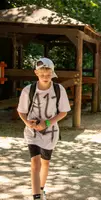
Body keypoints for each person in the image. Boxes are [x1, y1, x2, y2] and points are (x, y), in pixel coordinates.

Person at [17, 58, 71, 200]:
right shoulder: (28, 90)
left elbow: (63, 112)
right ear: (36, 73)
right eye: (42, 75)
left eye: (48, 74)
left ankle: (41, 189)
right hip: (32, 132)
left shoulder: (59, 90)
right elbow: (21, 111)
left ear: (52, 73)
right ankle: (36, 197)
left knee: (45, 162)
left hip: (51, 132)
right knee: (35, 161)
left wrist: (47, 123)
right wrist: (28, 123)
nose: (45, 77)